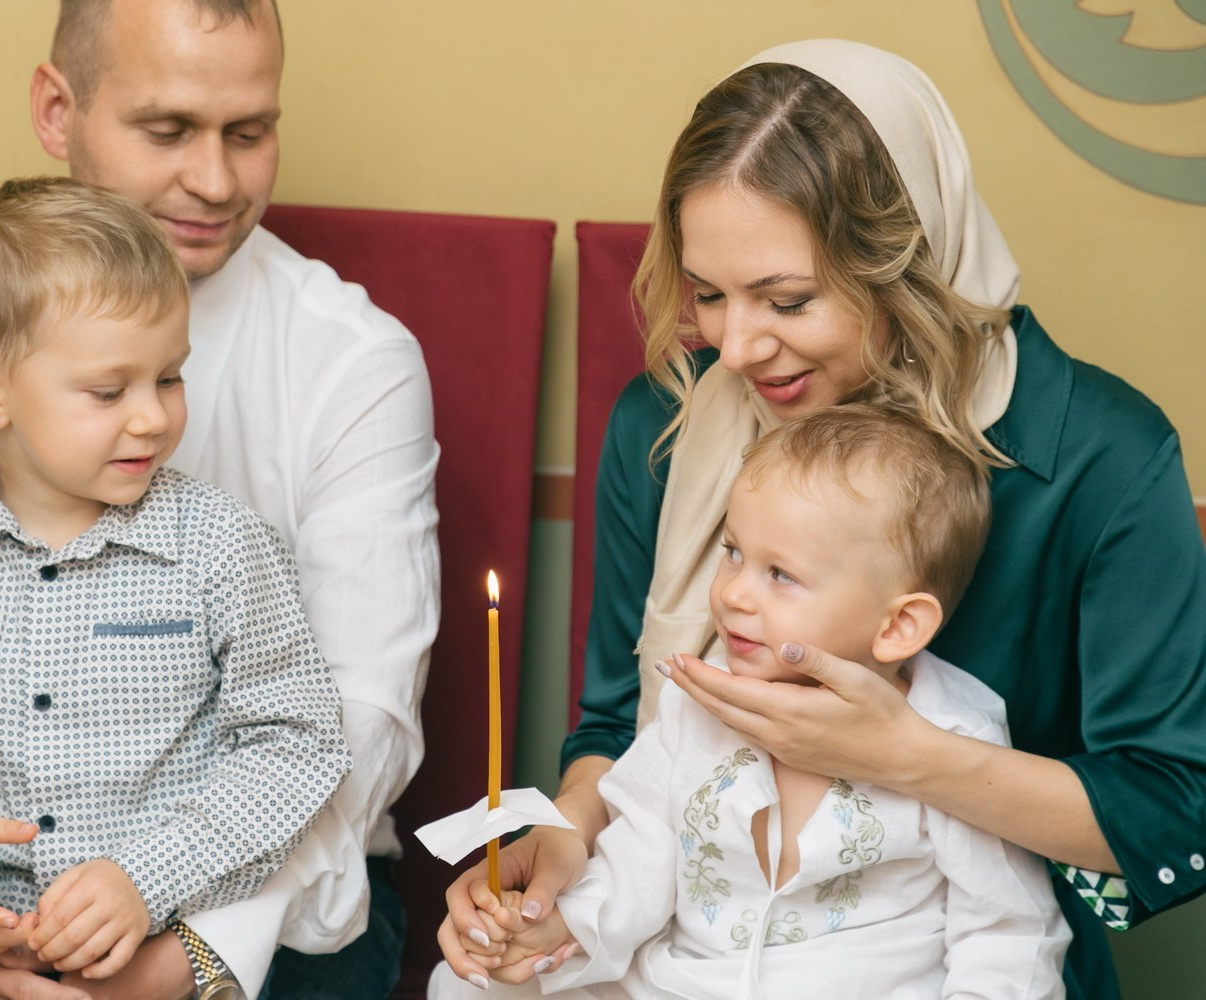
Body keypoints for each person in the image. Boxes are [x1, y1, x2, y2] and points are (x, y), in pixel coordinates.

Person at [443, 39, 1206, 999]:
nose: (736, 347)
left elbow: (1174, 811)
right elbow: (614, 729)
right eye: (708, 296)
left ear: (909, 262)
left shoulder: (1099, 456)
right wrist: (558, 844)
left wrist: (909, 759)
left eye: (788, 299)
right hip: (688, 949)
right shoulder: (668, 427)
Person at [0, 1, 439, 997]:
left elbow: (354, 731)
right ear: (57, 112)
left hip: (278, 912)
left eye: (251, 131)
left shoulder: (354, 364)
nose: (216, 180)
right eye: (167, 130)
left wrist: (180, 952)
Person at [0, 175, 352, 991]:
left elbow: (295, 746)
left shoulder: (225, 547)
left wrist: (145, 878)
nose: (151, 417)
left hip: (168, 953)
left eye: (171, 378)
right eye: (110, 391)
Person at [436, 405, 1070, 997]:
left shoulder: (956, 738)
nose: (735, 593)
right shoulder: (698, 697)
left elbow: (1007, 933)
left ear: (898, 626)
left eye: (781, 574)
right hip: (684, 983)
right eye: (733, 552)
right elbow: (636, 856)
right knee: (462, 983)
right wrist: (562, 928)